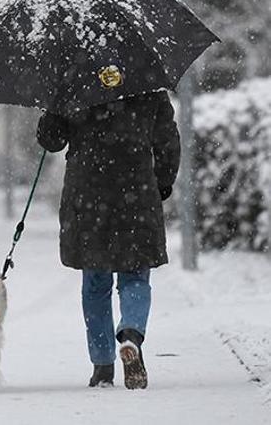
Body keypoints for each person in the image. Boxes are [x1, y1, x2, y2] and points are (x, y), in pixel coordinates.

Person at [36, 91, 180, 390]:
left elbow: (51, 140)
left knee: (95, 282)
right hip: (136, 189)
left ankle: (102, 365)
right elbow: (167, 139)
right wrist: (163, 181)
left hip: (88, 192)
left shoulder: (74, 79)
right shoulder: (147, 81)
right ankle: (131, 334)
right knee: (136, 275)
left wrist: (53, 104)